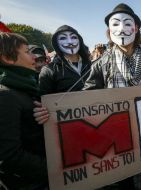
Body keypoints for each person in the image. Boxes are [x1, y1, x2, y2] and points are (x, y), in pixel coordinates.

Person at [83, 3, 141, 190]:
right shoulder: (102, 62)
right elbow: (88, 95)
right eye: (115, 24)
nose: (122, 29)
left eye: (127, 23)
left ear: (136, 28)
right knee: (123, 168)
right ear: (109, 30)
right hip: (117, 125)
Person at [0, 32, 48, 189]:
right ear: (8, 58)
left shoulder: (26, 88)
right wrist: (52, 168)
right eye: (27, 52)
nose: (34, 57)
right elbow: (8, 156)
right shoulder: (5, 96)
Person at [39, 25, 91, 95]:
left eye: (73, 37)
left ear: (79, 40)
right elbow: (45, 99)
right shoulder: (49, 70)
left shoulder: (94, 66)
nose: (70, 42)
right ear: (56, 43)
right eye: (63, 38)